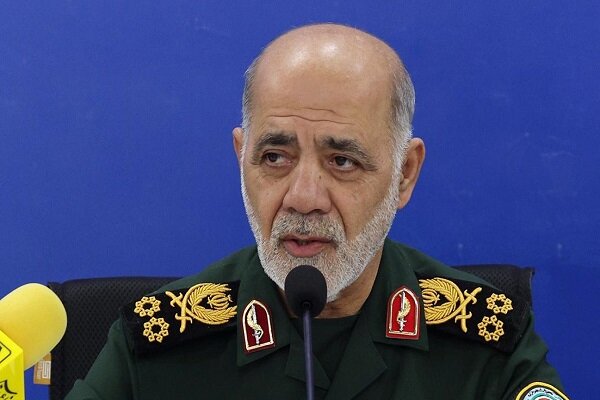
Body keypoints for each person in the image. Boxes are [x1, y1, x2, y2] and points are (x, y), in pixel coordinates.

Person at [65, 23, 568, 399]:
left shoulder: (486, 341)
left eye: (342, 161)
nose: (303, 197)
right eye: (275, 158)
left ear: (404, 174)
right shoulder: (159, 342)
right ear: (241, 159)